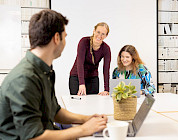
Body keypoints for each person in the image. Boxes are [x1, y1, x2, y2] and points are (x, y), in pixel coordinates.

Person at [0, 9, 107, 140]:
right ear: (57, 38)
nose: (65, 42)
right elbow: (33, 137)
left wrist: (87, 119)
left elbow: (55, 111)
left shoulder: (44, 70)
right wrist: (83, 130)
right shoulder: (25, 79)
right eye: (65, 37)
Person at [69, 22, 111, 96]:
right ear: (94, 31)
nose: (100, 36)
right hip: (77, 77)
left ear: (106, 36)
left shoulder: (106, 49)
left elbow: (106, 69)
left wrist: (107, 89)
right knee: (78, 103)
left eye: (103, 34)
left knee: (92, 104)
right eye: (98, 32)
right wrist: (81, 83)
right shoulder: (84, 42)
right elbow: (80, 63)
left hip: (92, 78)